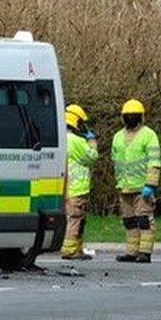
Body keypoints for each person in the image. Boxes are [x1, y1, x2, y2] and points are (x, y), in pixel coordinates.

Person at [111, 99, 161, 263]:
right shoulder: (117, 137)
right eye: (128, 115)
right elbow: (115, 160)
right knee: (129, 221)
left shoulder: (149, 135)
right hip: (124, 186)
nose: (130, 118)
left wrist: (150, 185)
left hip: (142, 187)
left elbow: (154, 162)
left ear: (140, 117)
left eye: (134, 115)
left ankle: (145, 252)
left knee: (144, 220)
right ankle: (131, 252)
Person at [61, 104, 98, 260]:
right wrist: (92, 141)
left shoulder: (59, 138)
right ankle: (70, 250)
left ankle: (77, 248)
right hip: (76, 188)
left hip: (62, 187)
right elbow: (91, 157)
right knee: (76, 219)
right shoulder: (76, 141)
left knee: (71, 219)